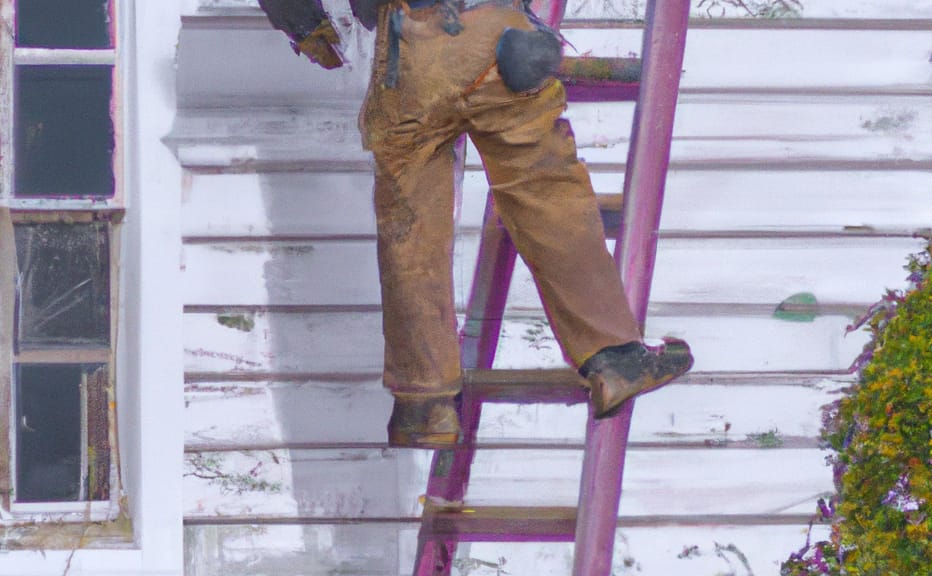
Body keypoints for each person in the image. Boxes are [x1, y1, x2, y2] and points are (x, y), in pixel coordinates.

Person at [259, 0, 693, 448]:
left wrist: (307, 27)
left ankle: (423, 405)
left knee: (410, 230)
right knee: (545, 194)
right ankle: (614, 360)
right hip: (494, 40)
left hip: (406, 52)